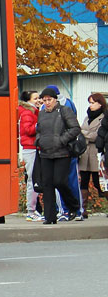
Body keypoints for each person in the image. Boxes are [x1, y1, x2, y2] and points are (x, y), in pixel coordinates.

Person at [36, 86, 82, 223]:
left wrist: (61, 140)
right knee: (47, 185)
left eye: (49, 99)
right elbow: (39, 129)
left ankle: (73, 205)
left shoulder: (64, 111)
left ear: (55, 99)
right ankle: (50, 217)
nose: (47, 102)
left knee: (60, 182)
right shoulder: (42, 113)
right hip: (45, 152)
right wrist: (39, 140)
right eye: (44, 100)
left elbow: (75, 128)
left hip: (62, 152)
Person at [77, 93, 106, 218]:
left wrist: (83, 132)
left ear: (100, 103)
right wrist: (85, 133)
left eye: (93, 102)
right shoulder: (86, 117)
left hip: (95, 153)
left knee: (98, 182)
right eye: (89, 102)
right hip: (84, 152)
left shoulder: (103, 118)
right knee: (83, 182)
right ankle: (83, 209)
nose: (91, 105)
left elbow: (96, 135)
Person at [18, 90, 41, 221]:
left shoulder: (32, 112)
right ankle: (31, 211)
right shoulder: (28, 113)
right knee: (33, 180)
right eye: (35, 98)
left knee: (34, 180)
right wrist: (40, 125)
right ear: (28, 101)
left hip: (32, 148)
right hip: (31, 149)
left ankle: (33, 210)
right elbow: (28, 130)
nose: (39, 100)